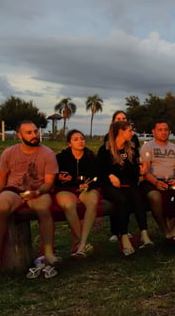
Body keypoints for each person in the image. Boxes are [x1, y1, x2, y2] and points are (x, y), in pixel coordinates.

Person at [0, 121, 59, 273]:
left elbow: (49, 182)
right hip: (14, 190)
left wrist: (37, 192)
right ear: (19, 135)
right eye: (29, 133)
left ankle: (49, 253)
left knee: (44, 208)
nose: (34, 135)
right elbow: (1, 178)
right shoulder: (9, 152)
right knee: (0, 207)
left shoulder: (47, 153)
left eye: (35, 131)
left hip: (38, 190)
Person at [98, 120, 153, 256]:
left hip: (127, 184)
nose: (132, 133)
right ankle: (123, 236)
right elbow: (99, 171)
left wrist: (140, 170)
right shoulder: (105, 150)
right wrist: (110, 175)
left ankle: (144, 234)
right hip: (109, 185)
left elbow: (133, 171)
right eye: (129, 130)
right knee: (122, 200)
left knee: (138, 197)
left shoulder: (131, 149)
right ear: (120, 132)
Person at [140, 121, 175, 242]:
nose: (163, 132)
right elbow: (145, 171)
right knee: (155, 196)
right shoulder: (147, 147)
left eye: (166, 130)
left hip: (171, 180)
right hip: (152, 180)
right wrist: (156, 183)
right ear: (153, 132)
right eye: (160, 130)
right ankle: (166, 231)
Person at [54, 129, 101, 258]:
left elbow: (98, 177)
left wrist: (89, 185)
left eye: (82, 138)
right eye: (76, 139)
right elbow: (55, 177)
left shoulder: (91, 157)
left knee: (93, 201)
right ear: (69, 143)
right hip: (67, 190)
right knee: (69, 205)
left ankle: (81, 244)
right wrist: (62, 178)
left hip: (86, 189)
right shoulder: (61, 158)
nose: (80, 141)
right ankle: (82, 243)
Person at [107, 110, 142, 243]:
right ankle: (115, 231)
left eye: (124, 118)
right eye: (119, 119)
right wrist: (110, 175)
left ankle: (124, 230)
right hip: (113, 182)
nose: (122, 120)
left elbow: (135, 157)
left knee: (131, 196)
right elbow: (105, 165)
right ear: (113, 122)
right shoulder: (108, 141)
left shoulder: (132, 140)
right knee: (118, 198)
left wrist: (139, 168)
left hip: (128, 179)